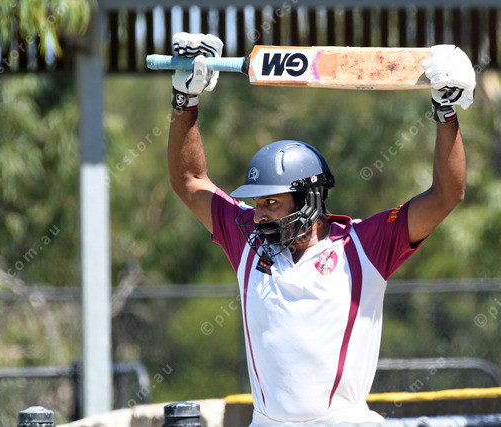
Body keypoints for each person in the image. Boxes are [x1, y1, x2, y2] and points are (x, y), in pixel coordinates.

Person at [167, 32, 475, 424]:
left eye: (272, 203)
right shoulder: (247, 238)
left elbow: (447, 194)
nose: (258, 215)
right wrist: (185, 100)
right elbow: (191, 181)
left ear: (309, 199)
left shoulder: (364, 245)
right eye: (257, 204)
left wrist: (446, 113)